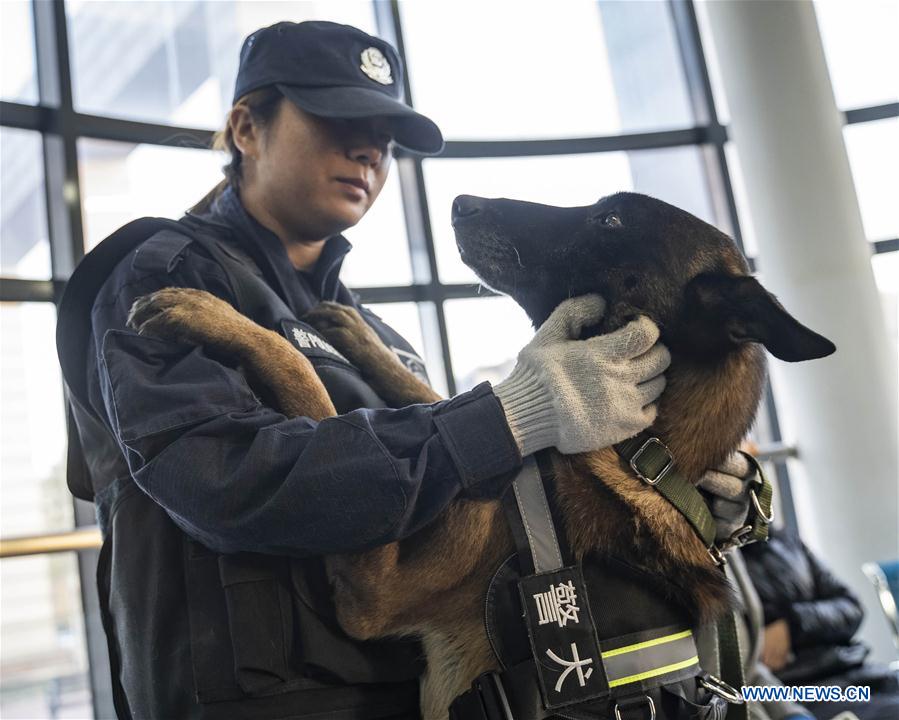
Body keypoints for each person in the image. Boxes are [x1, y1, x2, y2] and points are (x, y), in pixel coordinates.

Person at [60, 20, 762, 720]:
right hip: (263, 701)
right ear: (246, 128)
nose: (367, 150)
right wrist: (503, 416)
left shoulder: (378, 337)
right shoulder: (166, 274)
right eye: (337, 120)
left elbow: (467, 510)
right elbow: (221, 478)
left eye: (383, 138)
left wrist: (668, 496)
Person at [742, 526, 899, 720]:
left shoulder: (788, 543)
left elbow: (852, 608)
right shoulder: (722, 562)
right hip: (798, 692)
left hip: (858, 670)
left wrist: (793, 623)